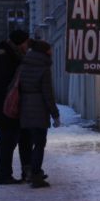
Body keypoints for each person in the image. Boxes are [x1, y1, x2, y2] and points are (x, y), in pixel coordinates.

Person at [0, 28, 32, 185]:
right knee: (8, 141)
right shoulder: (7, 58)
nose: (28, 45)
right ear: (20, 43)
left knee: (15, 139)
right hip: (6, 108)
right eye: (26, 42)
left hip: (10, 106)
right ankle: (4, 175)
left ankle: (21, 171)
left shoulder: (11, 56)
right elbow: (4, 85)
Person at [17, 39, 60, 189]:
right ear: (45, 51)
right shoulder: (43, 67)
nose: (52, 52)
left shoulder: (24, 65)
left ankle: (29, 171)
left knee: (28, 142)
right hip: (39, 108)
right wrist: (55, 113)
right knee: (40, 143)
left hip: (24, 107)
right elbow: (47, 93)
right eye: (50, 49)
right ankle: (36, 176)